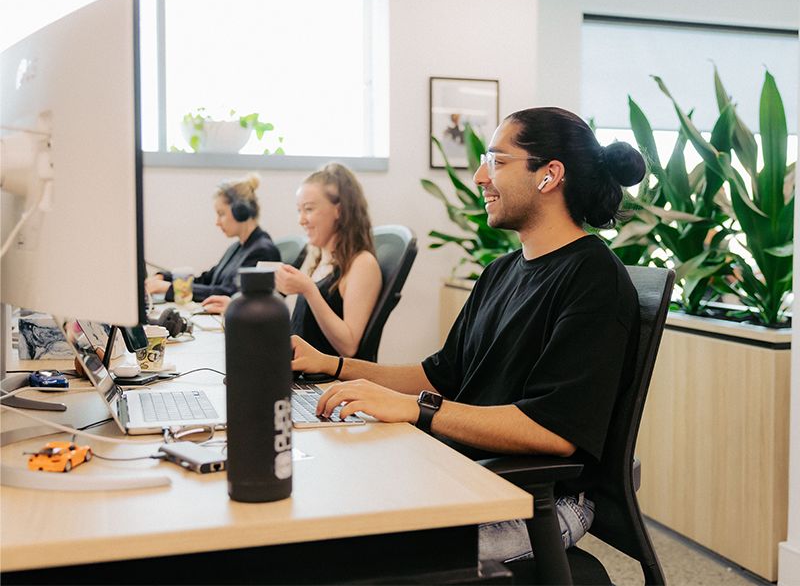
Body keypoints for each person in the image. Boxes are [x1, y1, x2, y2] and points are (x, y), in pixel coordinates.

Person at [290, 107, 646, 563]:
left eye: (497, 161)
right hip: (471, 472)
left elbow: (552, 431)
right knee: (322, 498)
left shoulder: (593, 279)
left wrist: (415, 410)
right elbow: (438, 375)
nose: (480, 176)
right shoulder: (501, 272)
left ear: (550, 175)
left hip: (532, 502)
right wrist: (334, 366)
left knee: (336, 546)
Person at [203, 163, 382, 359]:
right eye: (299, 210)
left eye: (309, 209)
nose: (301, 220)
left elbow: (348, 347)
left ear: (339, 210)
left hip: (328, 381)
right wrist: (241, 311)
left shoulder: (362, 264)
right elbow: (300, 335)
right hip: (300, 370)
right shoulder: (318, 260)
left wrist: (309, 290)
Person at [145, 173, 280, 303]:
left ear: (241, 211)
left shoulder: (262, 251)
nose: (217, 222)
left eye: (221, 214)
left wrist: (168, 288)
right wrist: (166, 277)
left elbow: (228, 294)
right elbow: (207, 280)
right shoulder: (238, 248)